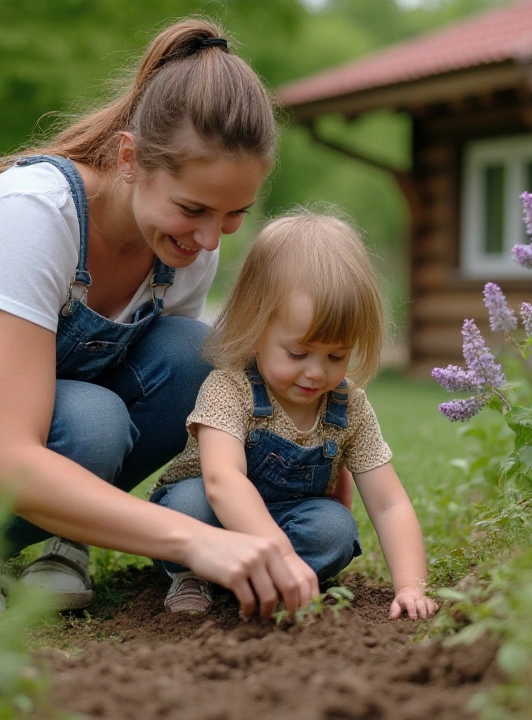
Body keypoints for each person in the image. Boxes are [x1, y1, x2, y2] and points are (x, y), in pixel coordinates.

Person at [0, 18, 315, 619]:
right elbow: (5, 460)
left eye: (233, 214)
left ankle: (63, 541)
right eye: (193, 208)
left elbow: (160, 396)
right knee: (92, 422)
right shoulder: (33, 216)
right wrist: (197, 539)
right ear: (130, 159)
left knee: (190, 358)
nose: (209, 237)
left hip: (38, 418)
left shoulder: (185, 245)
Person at [149, 212, 439, 620]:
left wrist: (411, 586)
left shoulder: (348, 407)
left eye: (336, 355)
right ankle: (194, 577)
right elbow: (222, 481)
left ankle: (277, 577)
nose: (317, 372)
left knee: (333, 530)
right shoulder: (230, 389)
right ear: (256, 327)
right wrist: (277, 550)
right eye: (298, 353)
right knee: (186, 504)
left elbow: (389, 502)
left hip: (287, 520)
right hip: (214, 523)